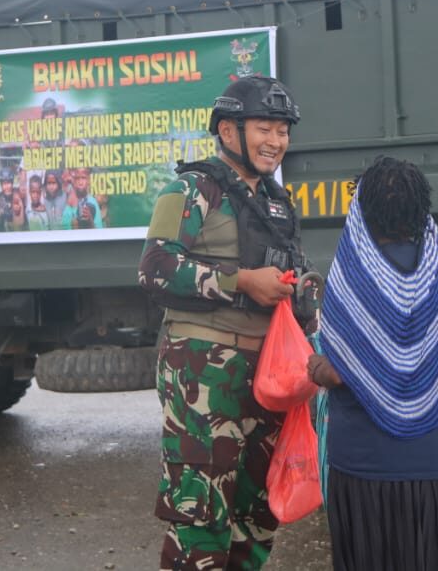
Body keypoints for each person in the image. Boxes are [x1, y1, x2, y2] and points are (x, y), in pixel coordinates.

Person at [138, 75, 318, 571]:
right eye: (265, 128)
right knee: (202, 512)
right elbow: (154, 269)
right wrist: (240, 281)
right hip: (202, 372)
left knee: (256, 513)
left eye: (283, 131)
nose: (276, 142)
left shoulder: (278, 204)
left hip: (267, 376)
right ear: (227, 129)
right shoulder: (195, 188)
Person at [308, 156, 438, 571]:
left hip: (363, 465)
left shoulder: (354, 274)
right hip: (430, 466)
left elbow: (343, 369)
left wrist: (318, 369)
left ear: (362, 208)